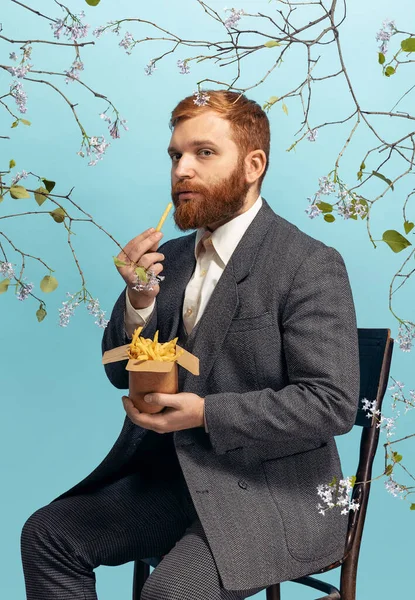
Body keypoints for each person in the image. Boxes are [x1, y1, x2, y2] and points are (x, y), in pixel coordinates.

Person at [21, 90, 360, 600]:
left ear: (252, 165)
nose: (182, 170)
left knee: (167, 596)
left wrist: (205, 413)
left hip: (275, 497)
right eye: (175, 155)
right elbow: (119, 370)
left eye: (204, 153)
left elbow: (331, 404)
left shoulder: (307, 263)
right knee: (48, 536)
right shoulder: (172, 258)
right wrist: (139, 298)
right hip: (178, 482)